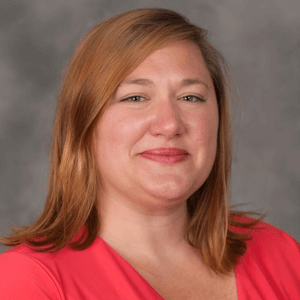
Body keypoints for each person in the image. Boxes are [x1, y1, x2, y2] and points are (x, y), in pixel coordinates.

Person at [0, 8, 299, 300]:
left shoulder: (279, 254)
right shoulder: (29, 281)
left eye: (190, 97)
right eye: (135, 97)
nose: (169, 124)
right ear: (84, 125)